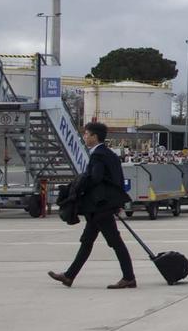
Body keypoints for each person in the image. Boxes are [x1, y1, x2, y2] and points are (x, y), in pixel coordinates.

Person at [49, 120, 136, 289]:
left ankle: (129, 277)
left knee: (115, 243)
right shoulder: (110, 154)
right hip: (102, 206)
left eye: (87, 134)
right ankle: (69, 276)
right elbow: (117, 179)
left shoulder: (98, 155)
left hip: (100, 207)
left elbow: (95, 178)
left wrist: (79, 185)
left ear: (95, 137)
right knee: (87, 241)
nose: (85, 137)